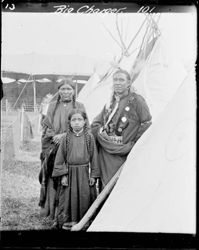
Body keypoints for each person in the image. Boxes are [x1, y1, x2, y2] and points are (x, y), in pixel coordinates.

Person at [91, 68, 152, 189]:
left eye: (121, 80)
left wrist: (133, 143)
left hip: (123, 152)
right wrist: (101, 133)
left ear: (129, 83)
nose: (117, 83)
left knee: (119, 187)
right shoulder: (110, 103)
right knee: (105, 186)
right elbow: (96, 123)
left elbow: (147, 123)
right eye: (115, 80)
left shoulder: (137, 100)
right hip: (106, 152)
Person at [38, 77, 88, 222]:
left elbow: (85, 127)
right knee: (52, 177)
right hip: (53, 147)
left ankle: (67, 212)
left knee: (68, 179)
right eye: (63, 89)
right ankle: (52, 211)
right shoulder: (52, 106)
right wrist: (54, 136)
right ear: (58, 91)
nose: (66, 92)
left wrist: (65, 135)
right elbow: (47, 127)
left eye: (69, 89)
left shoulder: (80, 106)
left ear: (74, 91)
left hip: (73, 148)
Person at [52, 109, 100, 229]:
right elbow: (60, 158)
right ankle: (69, 221)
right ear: (69, 122)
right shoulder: (66, 138)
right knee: (69, 198)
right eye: (74, 120)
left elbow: (94, 157)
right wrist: (63, 175)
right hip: (70, 173)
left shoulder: (89, 137)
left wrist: (93, 175)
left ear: (84, 122)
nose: (77, 122)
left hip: (85, 173)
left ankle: (85, 222)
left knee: (85, 196)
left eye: (80, 119)